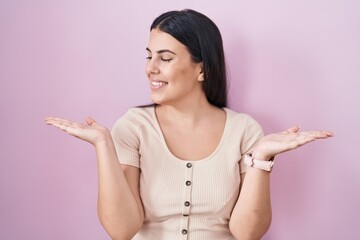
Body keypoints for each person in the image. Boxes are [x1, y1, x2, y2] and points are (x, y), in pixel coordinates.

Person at [45, 9, 332, 240]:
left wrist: (262, 158)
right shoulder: (133, 127)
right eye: (149, 56)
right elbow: (121, 231)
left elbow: (248, 233)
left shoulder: (245, 130)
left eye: (165, 58)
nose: (150, 68)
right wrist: (103, 146)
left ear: (202, 69)